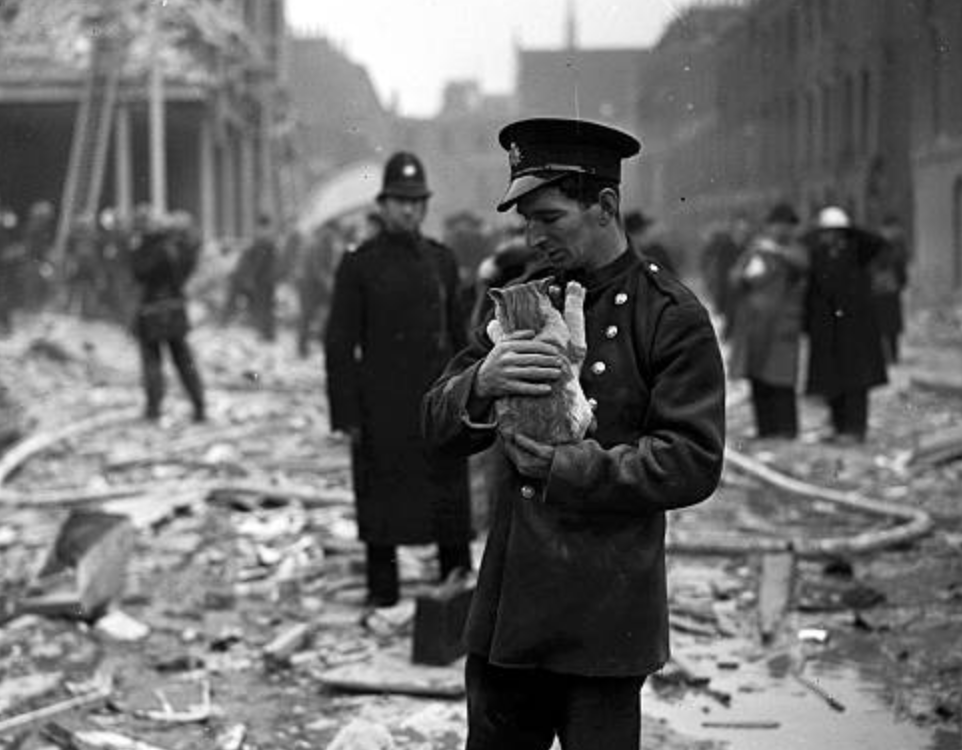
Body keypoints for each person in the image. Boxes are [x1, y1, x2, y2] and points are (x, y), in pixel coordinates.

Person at [422, 118, 726, 749]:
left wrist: (571, 469)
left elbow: (694, 460)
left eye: (550, 218)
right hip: (512, 613)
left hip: (605, 620)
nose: (533, 236)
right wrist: (481, 378)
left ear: (605, 207)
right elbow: (435, 425)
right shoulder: (521, 308)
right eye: (526, 221)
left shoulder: (669, 315)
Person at [324, 151, 473, 609]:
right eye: (400, 201)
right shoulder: (359, 265)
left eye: (417, 201)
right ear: (383, 205)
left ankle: (458, 590)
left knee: (449, 504)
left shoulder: (442, 261)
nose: (409, 210)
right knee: (381, 506)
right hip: (381, 407)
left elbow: (459, 335)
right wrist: (346, 414)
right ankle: (382, 594)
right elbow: (339, 344)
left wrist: (468, 400)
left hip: (437, 404)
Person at [802, 206, 888, 444]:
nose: (827, 236)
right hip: (827, 330)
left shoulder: (857, 250)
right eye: (825, 232)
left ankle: (855, 429)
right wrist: (807, 325)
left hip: (855, 329)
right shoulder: (818, 254)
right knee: (831, 381)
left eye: (832, 231)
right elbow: (812, 292)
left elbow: (877, 242)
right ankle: (839, 427)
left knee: (856, 383)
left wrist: (850, 229)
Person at [727, 202, 809, 440]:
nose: (781, 230)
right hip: (754, 327)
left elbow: (802, 265)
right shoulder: (755, 251)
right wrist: (745, 275)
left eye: (787, 226)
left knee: (781, 379)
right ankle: (766, 430)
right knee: (758, 378)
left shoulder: (795, 250)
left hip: (782, 326)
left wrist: (776, 251)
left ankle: (786, 430)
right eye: (777, 225)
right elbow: (735, 278)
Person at [129, 210, 206, 423]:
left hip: (152, 311)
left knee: (152, 361)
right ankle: (199, 405)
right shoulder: (178, 248)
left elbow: (138, 273)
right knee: (183, 359)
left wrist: (142, 244)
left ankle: (153, 408)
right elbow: (186, 269)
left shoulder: (149, 248)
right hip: (174, 309)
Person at [700, 211, 752, 340]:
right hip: (729, 299)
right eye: (740, 230)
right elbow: (719, 277)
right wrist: (719, 301)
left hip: (747, 301)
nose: (743, 234)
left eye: (745, 231)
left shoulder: (750, 248)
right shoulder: (725, 249)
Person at [872, 213, 911, 364]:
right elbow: (899, 265)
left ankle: (888, 356)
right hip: (887, 288)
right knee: (887, 326)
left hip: (884, 289)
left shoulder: (888, 244)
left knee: (886, 326)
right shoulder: (891, 245)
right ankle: (890, 356)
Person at [624, 208, 678, 275]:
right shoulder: (626, 258)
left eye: (644, 231)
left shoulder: (658, 252)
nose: (644, 235)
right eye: (639, 232)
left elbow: (672, 276)